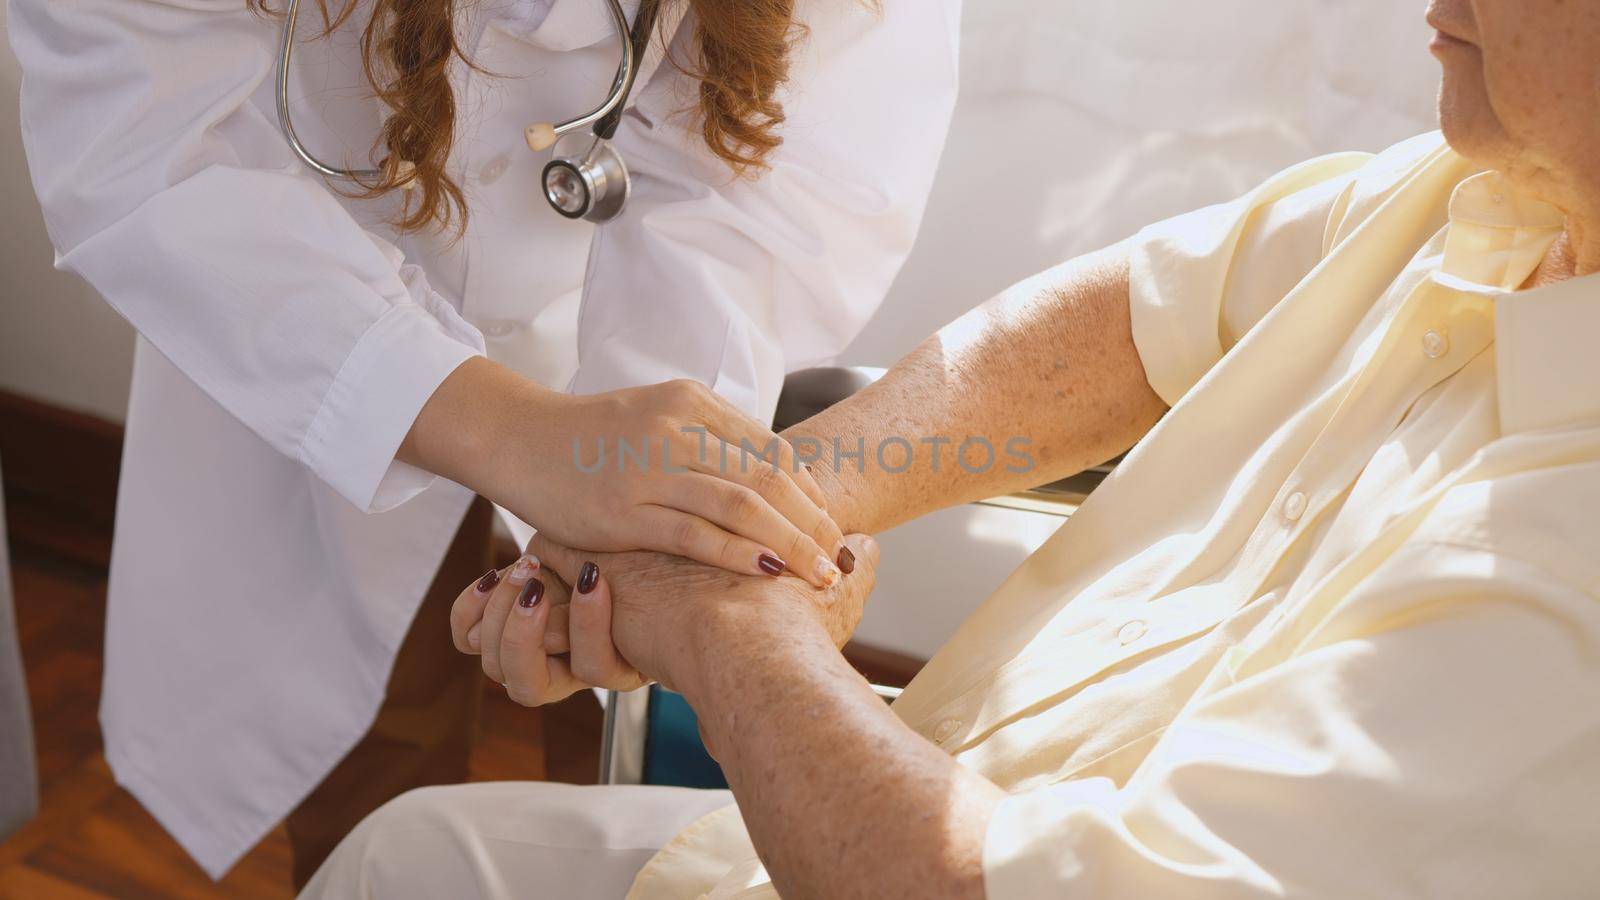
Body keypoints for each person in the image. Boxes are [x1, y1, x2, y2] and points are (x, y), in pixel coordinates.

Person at [304, 0, 1600, 895]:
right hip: (919, 798)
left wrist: (721, 619)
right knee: (408, 859)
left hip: (925, 858)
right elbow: (1124, 324)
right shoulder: (1482, 193)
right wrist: (760, 510)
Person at [6, 0, 960, 883]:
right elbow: (139, 126)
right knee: (366, 776)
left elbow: (798, 146)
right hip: (297, 293)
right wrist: (496, 424)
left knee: (605, 756)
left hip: (619, 289)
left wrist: (655, 478)